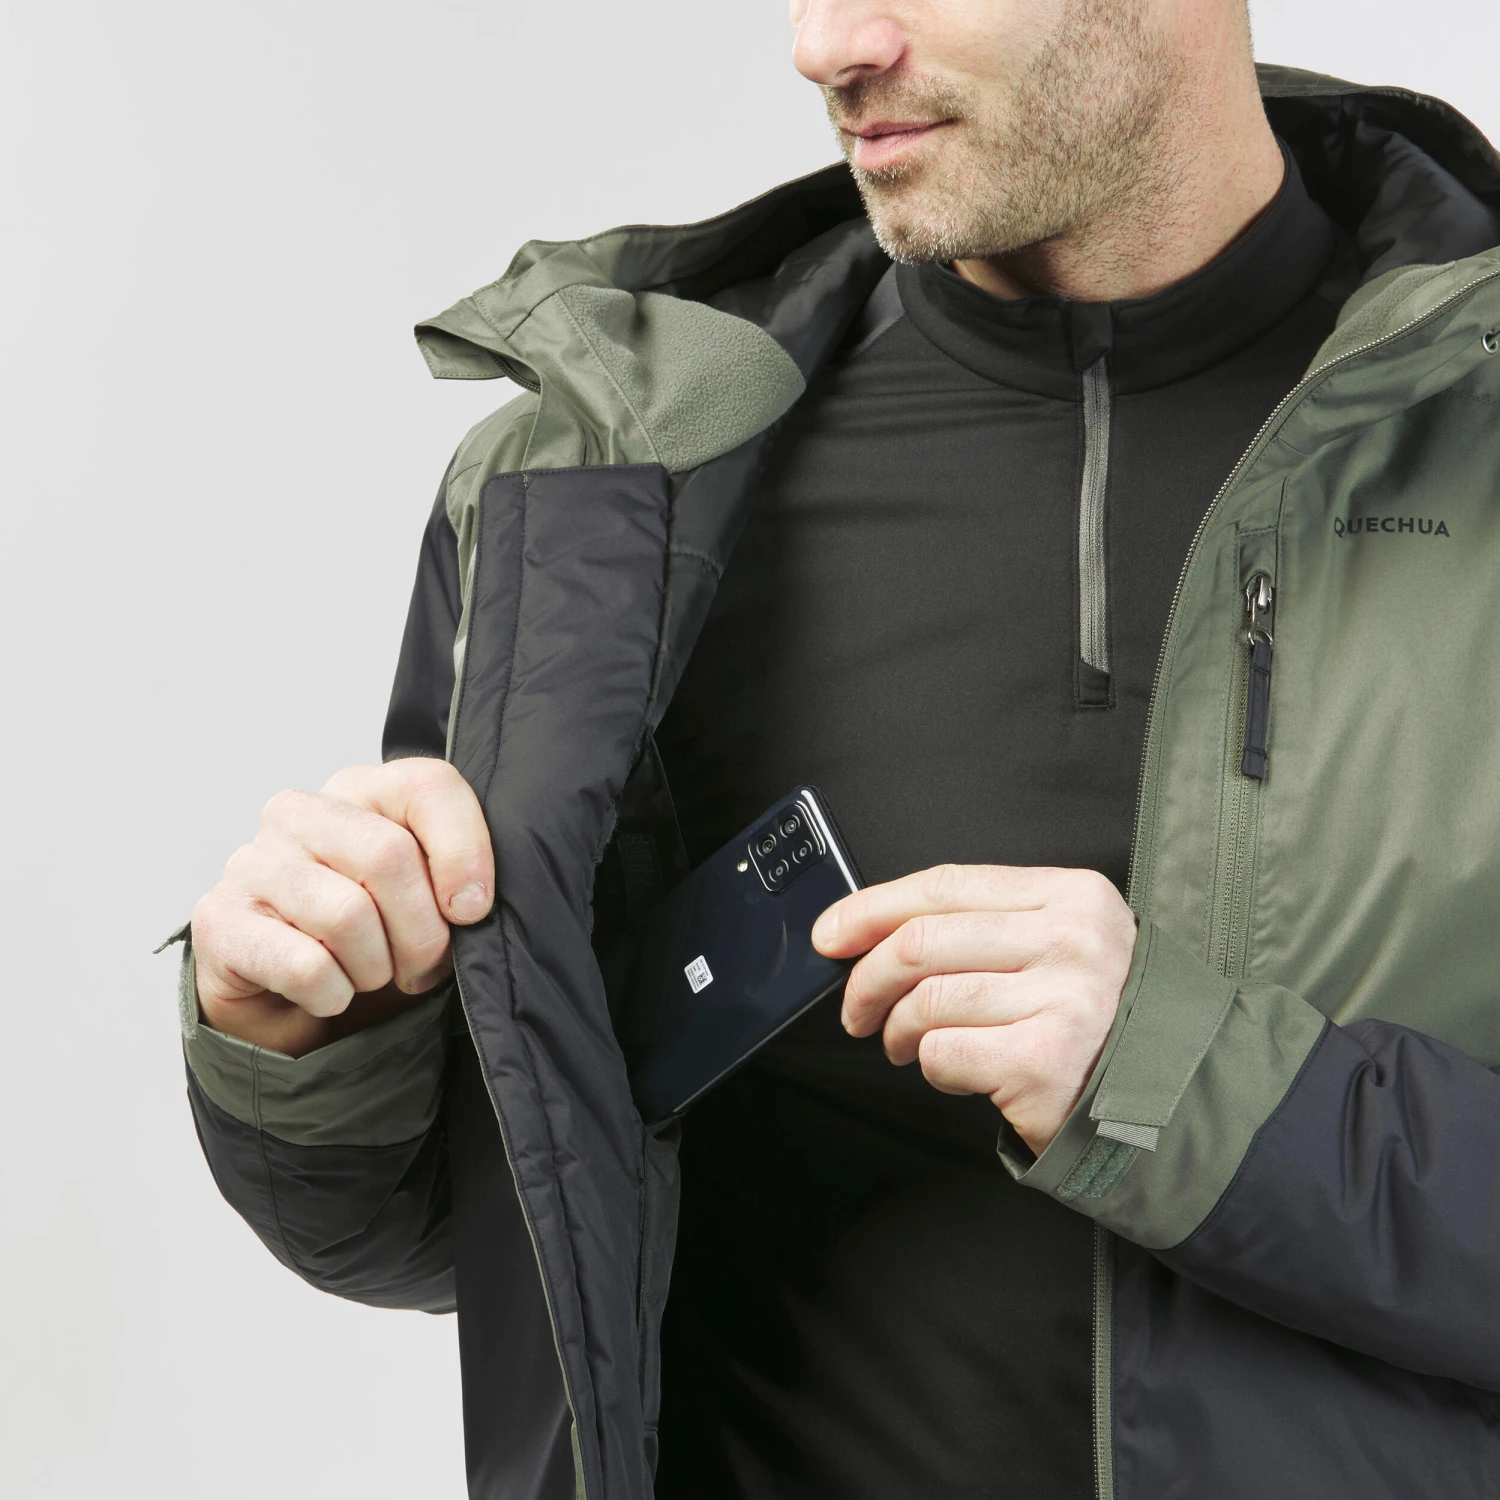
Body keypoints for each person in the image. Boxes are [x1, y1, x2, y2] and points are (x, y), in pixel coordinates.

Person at [173, 1, 1500, 1496]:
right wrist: (321, 1035)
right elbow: (509, 1236)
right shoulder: (614, 479)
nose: (827, 45)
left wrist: (1184, 1085)